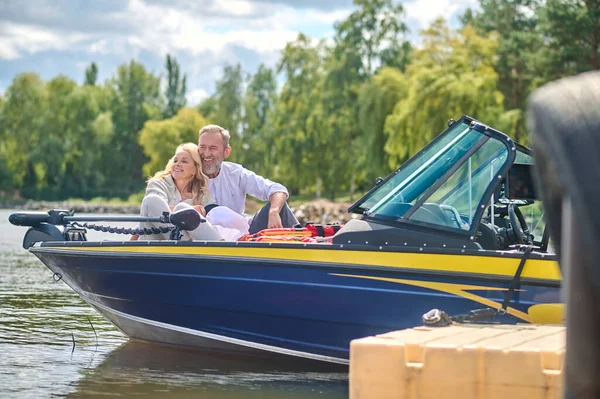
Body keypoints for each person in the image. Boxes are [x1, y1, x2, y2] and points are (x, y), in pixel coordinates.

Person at [198, 124, 298, 234]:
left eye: (213, 148)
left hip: (243, 236)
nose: (206, 153)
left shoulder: (236, 173)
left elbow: (277, 189)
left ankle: (305, 244)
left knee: (280, 207)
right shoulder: (187, 174)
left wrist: (273, 212)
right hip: (206, 240)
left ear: (226, 152)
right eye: (202, 147)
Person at [133, 142, 222, 241]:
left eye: (184, 161)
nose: (177, 164)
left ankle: (221, 247)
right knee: (152, 200)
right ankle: (183, 243)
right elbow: (155, 208)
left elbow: (215, 215)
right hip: (154, 242)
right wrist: (187, 211)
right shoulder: (158, 184)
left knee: (183, 207)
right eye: (175, 160)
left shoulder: (202, 194)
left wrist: (204, 212)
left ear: (195, 170)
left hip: (191, 249)